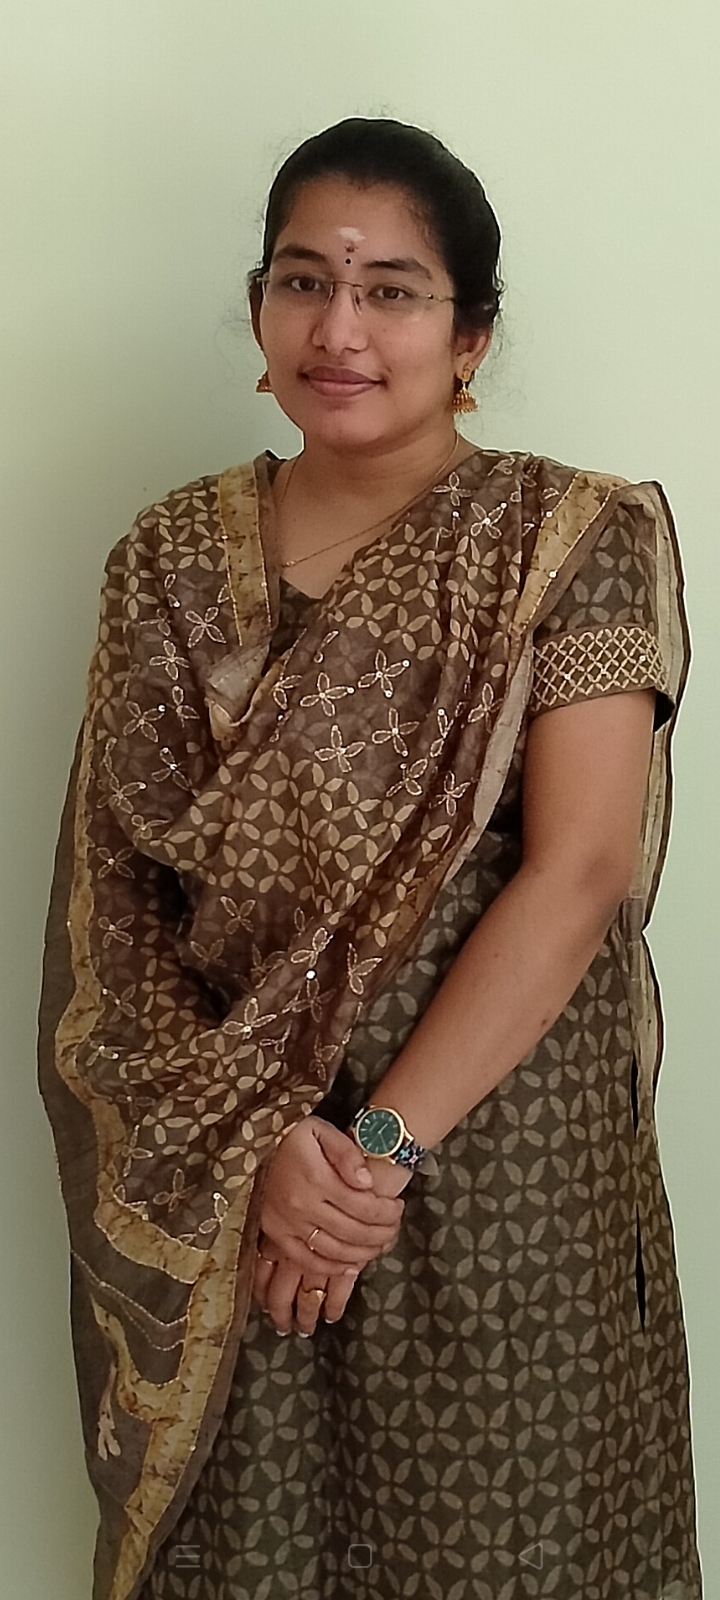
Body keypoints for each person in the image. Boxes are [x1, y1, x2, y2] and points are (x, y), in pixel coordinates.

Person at [38, 117, 703, 1600]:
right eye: (302, 283)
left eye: (391, 292)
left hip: (496, 1159)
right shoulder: (166, 559)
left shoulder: (567, 538)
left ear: (471, 337)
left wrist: (373, 1156)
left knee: (509, 1543)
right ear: (261, 312)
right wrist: (266, 1141)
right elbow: (119, 907)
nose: (339, 331)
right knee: (255, 1542)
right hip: (234, 1165)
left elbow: (579, 870)